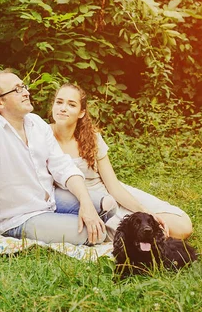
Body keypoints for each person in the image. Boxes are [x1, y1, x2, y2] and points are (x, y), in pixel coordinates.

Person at [0, 70, 106, 251]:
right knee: (95, 232)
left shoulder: (36, 123)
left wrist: (86, 205)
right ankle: (89, 226)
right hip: (18, 217)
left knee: (106, 205)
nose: (26, 92)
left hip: (47, 201)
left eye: (23, 86)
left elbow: (63, 167)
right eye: (17, 89)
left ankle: (88, 218)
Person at [50, 83, 193, 240]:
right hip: (83, 202)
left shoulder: (92, 138)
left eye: (71, 104)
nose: (63, 108)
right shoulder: (41, 135)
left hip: (109, 193)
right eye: (59, 102)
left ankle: (146, 223)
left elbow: (113, 186)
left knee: (182, 226)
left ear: (81, 113)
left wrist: (144, 211)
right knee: (128, 233)